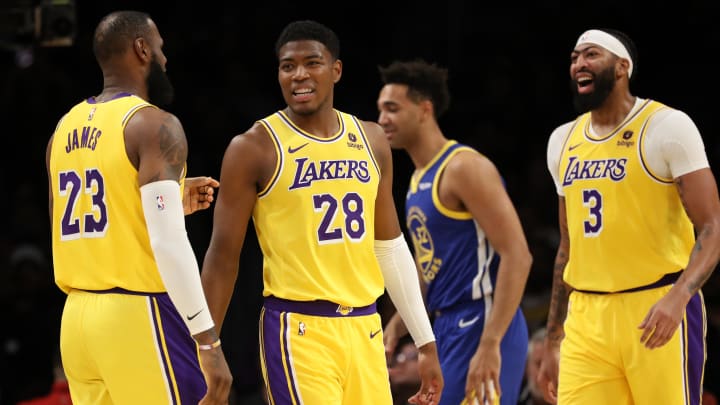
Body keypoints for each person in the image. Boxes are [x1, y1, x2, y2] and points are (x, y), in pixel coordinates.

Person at [200, 20, 443, 405]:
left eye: (312, 63)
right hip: (298, 329)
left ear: (336, 70)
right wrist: (207, 343)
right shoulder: (254, 147)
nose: (299, 75)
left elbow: (390, 247)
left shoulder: (371, 139)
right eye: (287, 66)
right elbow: (222, 255)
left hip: (365, 328)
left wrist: (425, 341)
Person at [45, 10, 232, 404]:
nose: (165, 59)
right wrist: (208, 341)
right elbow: (168, 242)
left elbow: (77, 226)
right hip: (135, 315)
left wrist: (171, 199)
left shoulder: (62, 129)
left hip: (76, 320)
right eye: (161, 48)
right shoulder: (152, 125)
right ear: (142, 49)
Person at [537, 28, 720, 404]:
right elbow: (567, 247)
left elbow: (712, 229)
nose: (579, 64)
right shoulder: (562, 141)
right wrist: (553, 338)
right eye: (574, 57)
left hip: (655, 307)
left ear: (622, 67)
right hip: (586, 317)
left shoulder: (667, 127)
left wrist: (678, 298)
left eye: (590, 55)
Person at [377, 59, 532, 405]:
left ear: (424, 109)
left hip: (484, 321)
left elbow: (518, 254)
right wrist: (398, 324)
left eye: (392, 108)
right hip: (445, 327)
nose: (382, 119)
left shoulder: (464, 167)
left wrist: (492, 342)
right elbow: (429, 266)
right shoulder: (417, 181)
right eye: (380, 110)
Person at [518, 328, 550, 405]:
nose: (543, 373)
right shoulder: (513, 399)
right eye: (538, 364)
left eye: (549, 366)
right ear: (527, 367)